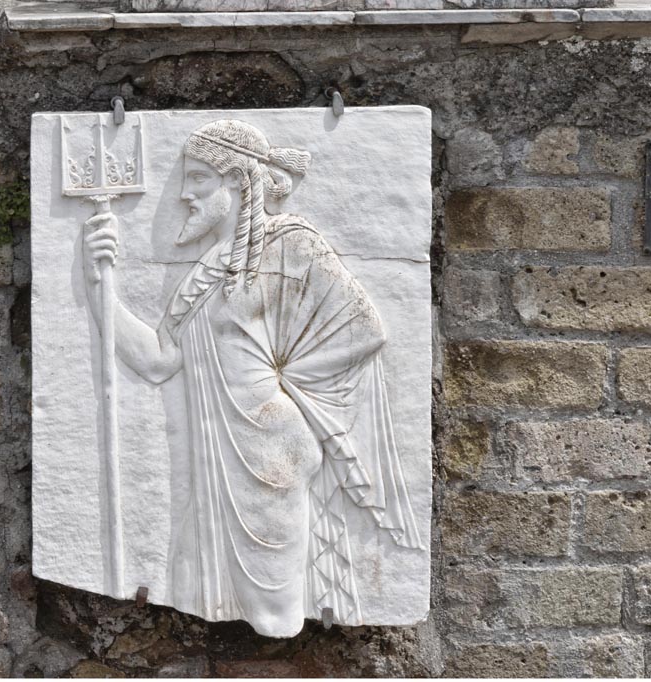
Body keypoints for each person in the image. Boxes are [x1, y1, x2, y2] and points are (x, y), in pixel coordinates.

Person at [82, 119, 421, 638]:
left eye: (197, 178)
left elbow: (365, 330)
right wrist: (98, 288)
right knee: (189, 583)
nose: (183, 194)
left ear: (238, 182)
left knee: (275, 619)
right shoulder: (205, 270)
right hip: (214, 459)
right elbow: (156, 360)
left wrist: (286, 384)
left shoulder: (290, 244)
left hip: (268, 456)